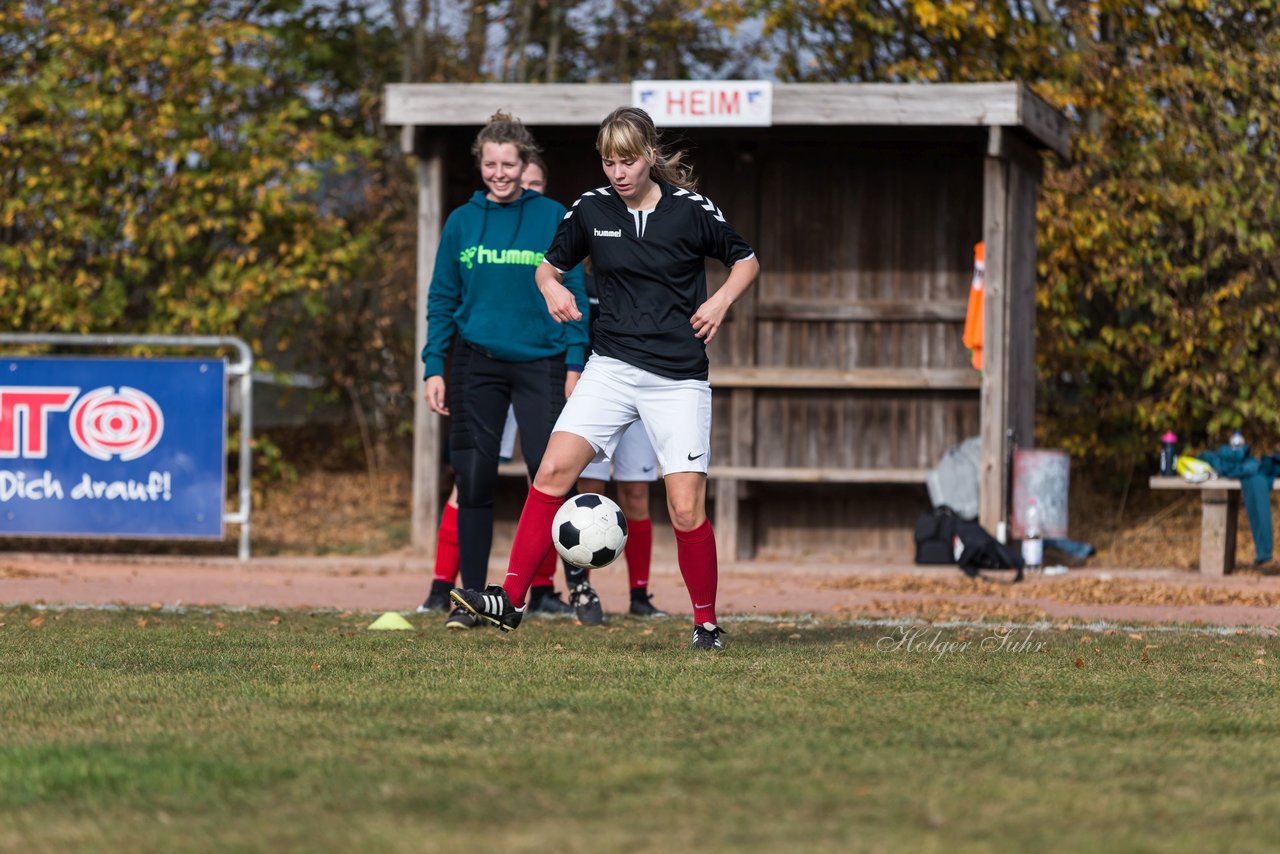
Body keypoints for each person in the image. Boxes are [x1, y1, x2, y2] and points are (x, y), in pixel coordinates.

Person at [450, 106, 760, 650]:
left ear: (650, 157)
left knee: (685, 508)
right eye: (608, 161)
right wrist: (550, 286)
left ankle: (706, 624)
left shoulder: (690, 210)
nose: (617, 172)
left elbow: (746, 259)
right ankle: (512, 598)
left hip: (677, 377)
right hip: (612, 367)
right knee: (551, 469)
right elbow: (547, 266)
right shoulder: (590, 209)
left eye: (627, 161)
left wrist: (720, 301)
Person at [419, 114, 588, 630]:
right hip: (476, 364)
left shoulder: (554, 216)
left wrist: (575, 360)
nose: (499, 173)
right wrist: (433, 364)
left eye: (508, 164)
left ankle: (548, 592)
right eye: (490, 164)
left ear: (524, 164)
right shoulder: (462, 223)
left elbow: (575, 290)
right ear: (481, 164)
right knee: (472, 480)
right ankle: (467, 600)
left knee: (549, 479)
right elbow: (442, 297)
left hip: (541, 363)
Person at [573, 258, 666, 619]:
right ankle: (584, 592)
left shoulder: (647, 279)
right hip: (597, 397)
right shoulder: (580, 283)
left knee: (637, 494)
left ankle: (639, 596)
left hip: (642, 396)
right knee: (589, 497)